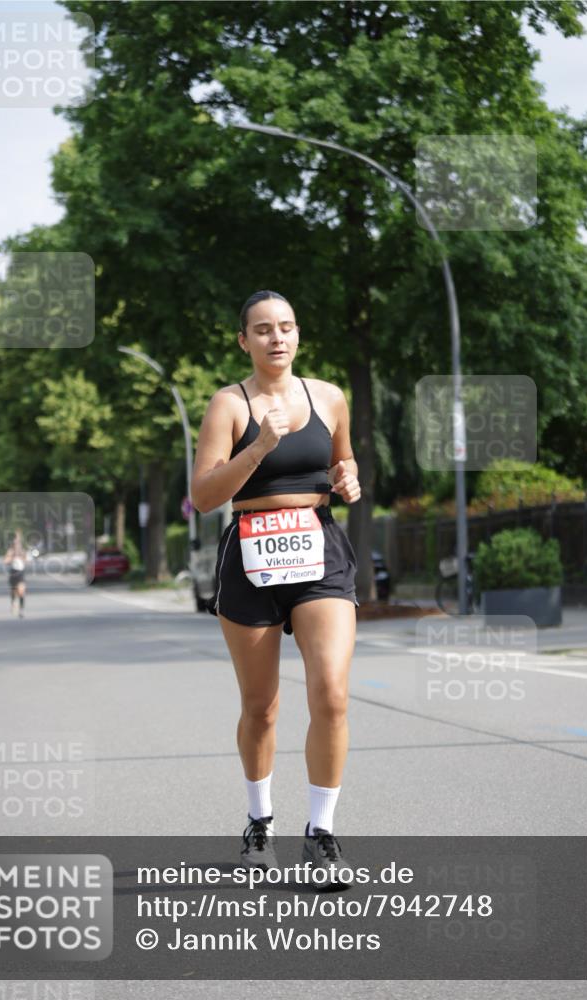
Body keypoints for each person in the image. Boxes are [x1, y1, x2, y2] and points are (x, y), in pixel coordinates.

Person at [191, 290, 361, 882]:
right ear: (244, 341)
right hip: (251, 556)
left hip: (318, 548)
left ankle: (322, 833)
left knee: (332, 694)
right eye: (262, 330)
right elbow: (205, 495)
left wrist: (348, 475)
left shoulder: (330, 397)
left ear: (298, 334)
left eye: (286, 326)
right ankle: (260, 823)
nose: (277, 338)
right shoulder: (228, 405)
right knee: (261, 708)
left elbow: (343, 459)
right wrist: (260, 444)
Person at [4, 529, 27, 618]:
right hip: (13, 573)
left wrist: (21, 558)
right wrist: (12, 557)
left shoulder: (23, 551)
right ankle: (13, 602)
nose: (17, 545)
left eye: (18, 543)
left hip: (20, 573)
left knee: (21, 592)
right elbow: (5, 561)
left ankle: (21, 610)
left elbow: (25, 562)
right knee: (14, 592)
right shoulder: (10, 551)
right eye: (15, 544)